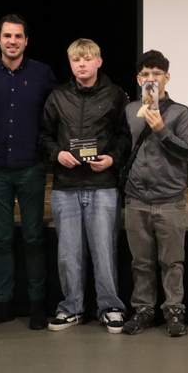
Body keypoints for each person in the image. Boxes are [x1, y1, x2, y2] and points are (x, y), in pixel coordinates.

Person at [0, 14, 58, 331]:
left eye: (18, 36)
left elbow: (62, 109)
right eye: (7, 36)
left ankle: (36, 305)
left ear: (26, 41)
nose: (12, 41)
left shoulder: (42, 74)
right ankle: (2, 304)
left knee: (33, 238)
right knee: (1, 238)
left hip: (31, 167)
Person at [38, 39, 132, 334]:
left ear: (99, 62)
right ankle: (71, 308)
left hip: (103, 185)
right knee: (68, 253)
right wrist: (57, 154)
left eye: (87, 59)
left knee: (104, 251)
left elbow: (125, 136)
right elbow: (44, 136)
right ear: (70, 63)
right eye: (76, 60)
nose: (82, 64)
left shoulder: (115, 95)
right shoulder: (57, 96)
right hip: (65, 186)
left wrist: (112, 159)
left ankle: (111, 307)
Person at [120, 50, 188, 338]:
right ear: (139, 79)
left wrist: (162, 129)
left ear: (167, 77)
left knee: (172, 261)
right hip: (137, 198)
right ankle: (143, 309)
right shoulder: (130, 110)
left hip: (169, 200)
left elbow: (187, 151)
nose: (151, 78)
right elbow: (124, 148)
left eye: (156, 73)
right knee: (140, 262)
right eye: (145, 74)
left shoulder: (179, 112)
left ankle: (174, 309)